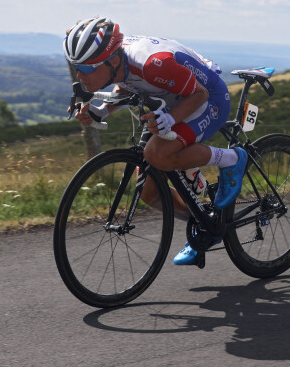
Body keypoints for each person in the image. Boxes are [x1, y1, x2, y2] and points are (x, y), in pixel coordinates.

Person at [63, 16, 247, 266]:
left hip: (206, 98)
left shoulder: (152, 65)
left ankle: (232, 159)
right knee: (150, 193)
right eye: (77, 68)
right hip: (168, 99)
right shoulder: (116, 62)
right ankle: (204, 224)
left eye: (86, 68)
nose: (80, 75)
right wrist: (101, 110)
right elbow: (127, 85)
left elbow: (199, 93)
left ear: (113, 60)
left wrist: (171, 119)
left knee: (158, 153)